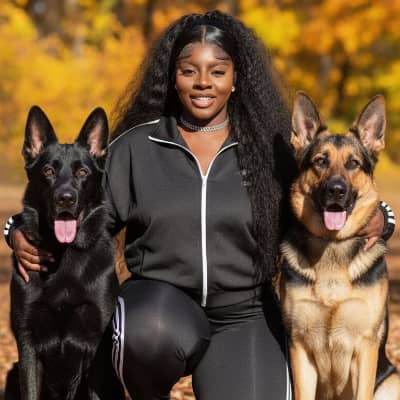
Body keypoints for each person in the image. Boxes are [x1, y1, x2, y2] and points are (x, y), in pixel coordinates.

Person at [4, 10, 396, 400]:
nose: (203, 82)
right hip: (160, 305)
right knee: (146, 334)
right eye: (189, 70)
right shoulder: (137, 146)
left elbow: (319, 198)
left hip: (245, 312)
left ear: (236, 78)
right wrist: (16, 229)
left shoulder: (269, 149)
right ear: (172, 77)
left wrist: (383, 217)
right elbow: (82, 208)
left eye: (218, 71)